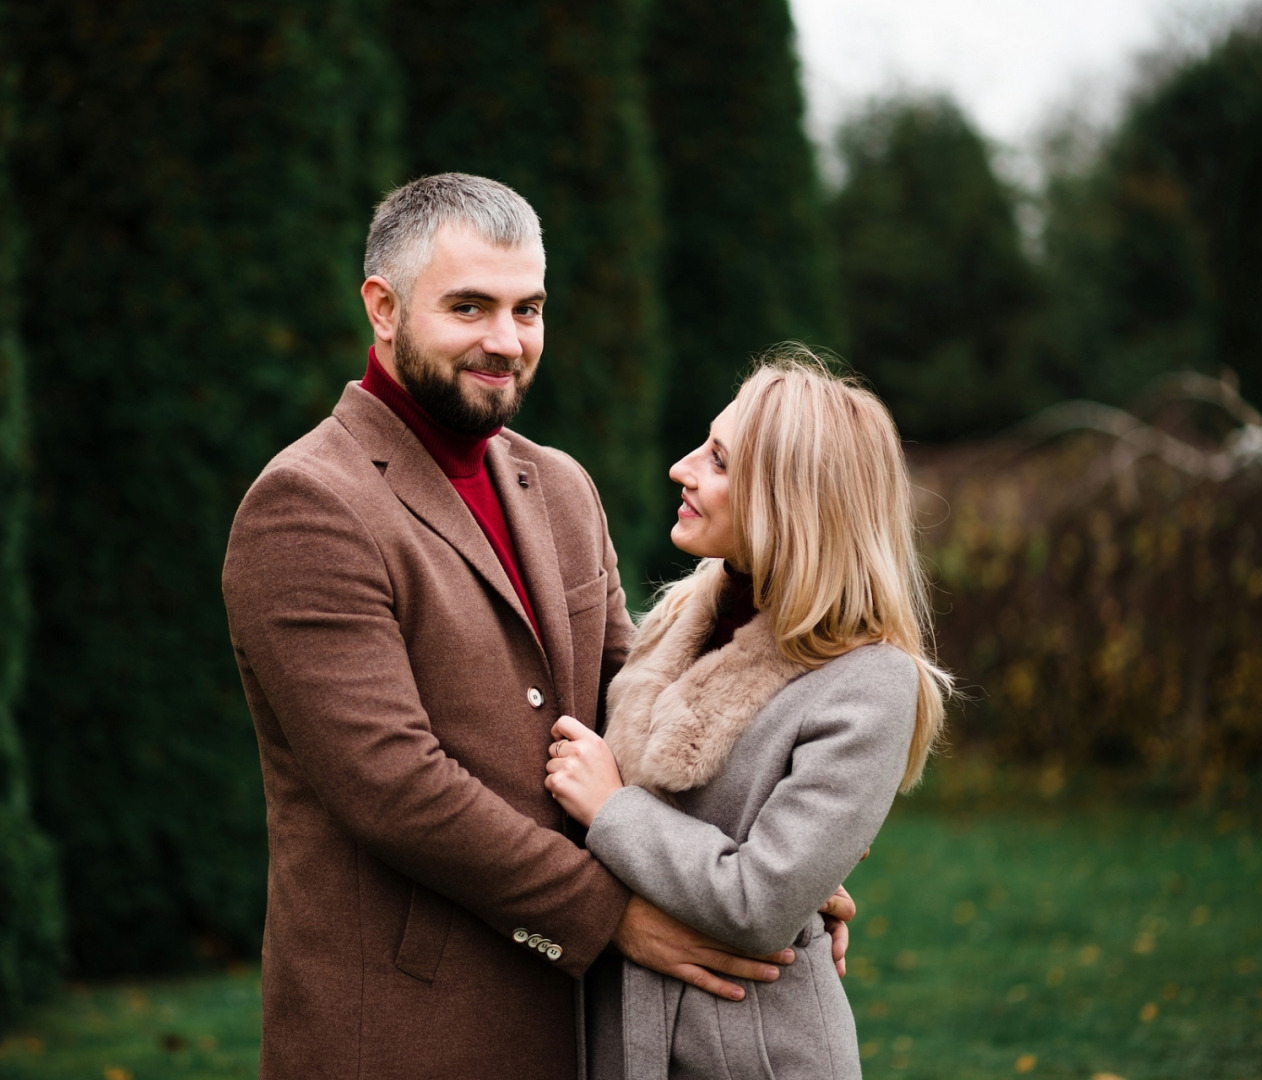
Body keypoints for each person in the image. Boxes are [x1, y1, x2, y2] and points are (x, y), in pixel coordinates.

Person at [223, 174, 852, 1079]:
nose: (505, 342)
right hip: (407, 1030)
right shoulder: (307, 504)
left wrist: (771, 862)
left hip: (584, 1029)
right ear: (383, 308)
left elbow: (641, 710)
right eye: (469, 307)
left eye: (528, 309)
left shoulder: (559, 485)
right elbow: (395, 789)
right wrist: (615, 917)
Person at [546, 349, 952, 1079]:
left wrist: (611, 809)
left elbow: (758, 902)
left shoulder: (868, 684)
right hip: (613, 1033)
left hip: (754, 1055)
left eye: (719, 461)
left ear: (792, 499)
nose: (681, 468)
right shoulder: (681, 618)